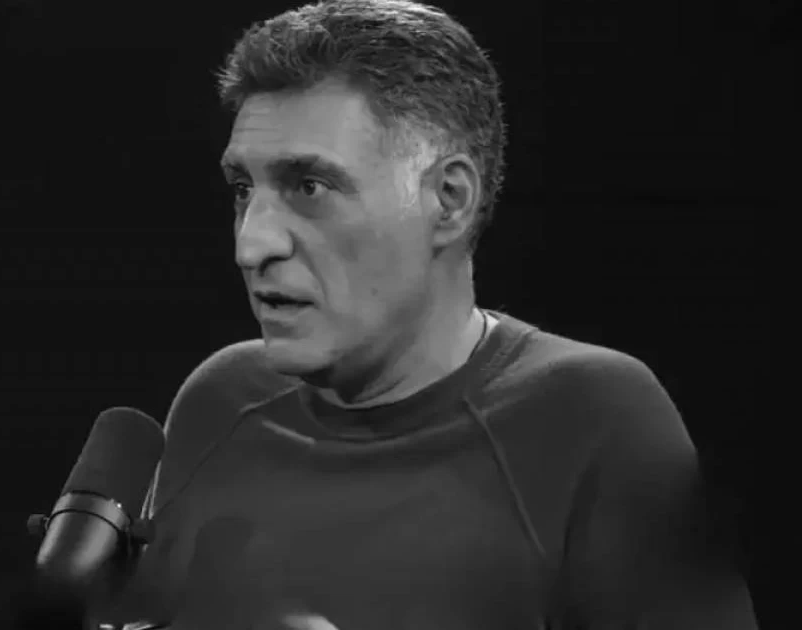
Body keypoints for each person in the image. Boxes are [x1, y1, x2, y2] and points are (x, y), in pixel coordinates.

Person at [94, 1, 758, 628]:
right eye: (244, 188)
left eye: (309, 186)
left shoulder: (593, 418)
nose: (252, 244)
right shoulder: (219, 401)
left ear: (449, 200)